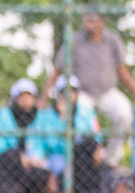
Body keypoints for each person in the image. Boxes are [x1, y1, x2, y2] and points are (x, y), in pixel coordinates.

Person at [52, 12, 135, 167]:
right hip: (82, 93)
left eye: (92, 20)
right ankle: (83, 159)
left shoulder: (112, 40)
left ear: (102, 22)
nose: (88, 23)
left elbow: (122, 70)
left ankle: (110, 160)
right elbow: (57, 69)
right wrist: (44, 97)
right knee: (83, 116)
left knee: (124, 114)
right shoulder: (75, 40)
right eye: (85, 19)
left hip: (107, 92)